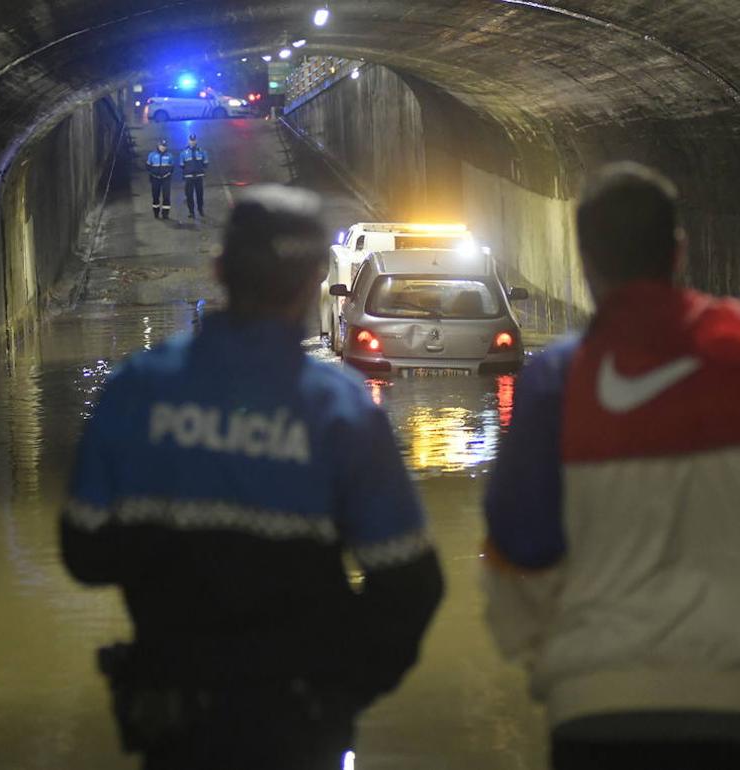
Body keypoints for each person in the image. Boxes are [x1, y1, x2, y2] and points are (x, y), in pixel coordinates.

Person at [60, 184, 444, 770]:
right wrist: (339, 688)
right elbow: (410, 583)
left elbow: (84, 550)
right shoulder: (340, 411)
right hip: (300, 724)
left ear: (219, 270)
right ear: (317, 278)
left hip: (176, 721)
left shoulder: (138, 387)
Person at [482, 162, 740, 770]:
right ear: (678, 251)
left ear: (586, 259)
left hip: (597, 714)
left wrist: (551, 654)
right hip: (739, 711)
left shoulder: (556, 386)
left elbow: (517, 552)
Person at [180, 133, 209, 218]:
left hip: (199, 176)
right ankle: (191, 212)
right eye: (191, 140)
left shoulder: (202, 151)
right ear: (188, 141)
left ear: (196, 141)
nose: (192, 142)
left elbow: (206, 164)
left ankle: (200, 209)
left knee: (200, 194)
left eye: (194, 140)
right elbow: (182, 165)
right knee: (189, 195)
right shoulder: (183, 152)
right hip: (189, 177)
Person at [146, 138, 175, 219]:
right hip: (155, 179)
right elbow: (148, 166)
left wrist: (168, 174)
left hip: (166, 179)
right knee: (155, 196)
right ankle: (156, 212)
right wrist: (153, 173)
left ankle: (165, 214)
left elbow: (172, 167)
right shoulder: (152, 155)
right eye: (162, 146)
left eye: (165, 146)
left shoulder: (169, 156)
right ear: (158, 146)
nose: (163, 148)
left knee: (166, 197)